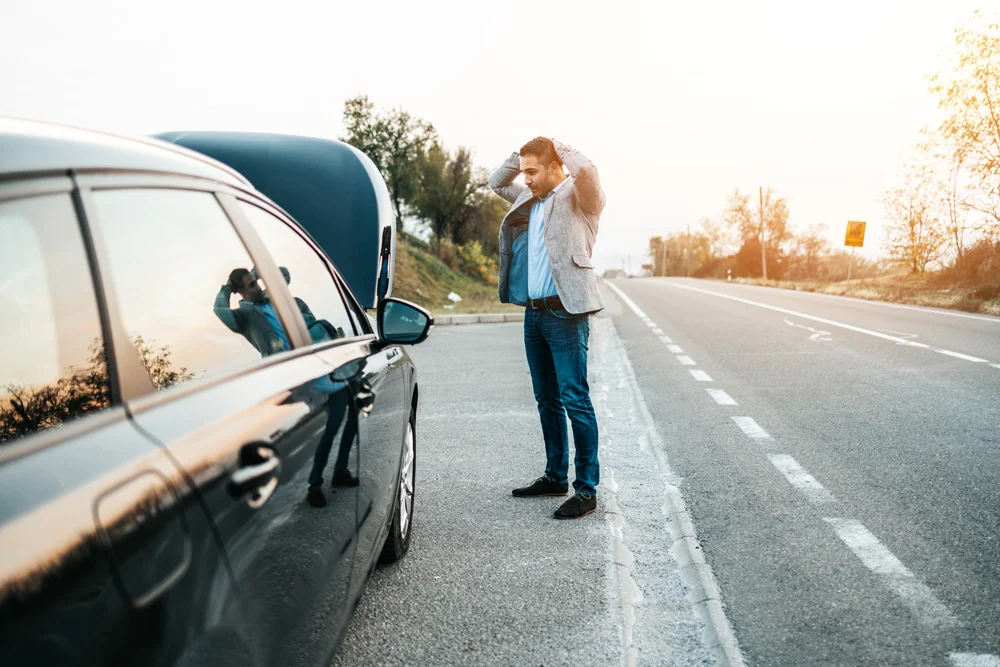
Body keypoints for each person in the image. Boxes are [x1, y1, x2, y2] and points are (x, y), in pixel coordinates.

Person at [489, 137, 606, 520]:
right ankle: (555, 476)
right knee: (547, 399)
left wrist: (559, 144)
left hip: (566, 312)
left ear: (557, 167)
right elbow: (495, 181)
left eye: (533, 172)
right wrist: (520, 156)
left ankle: (586, 490)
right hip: (534, 313)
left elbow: (586, 169)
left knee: (575, 398)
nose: (525, 180)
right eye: (524, 173)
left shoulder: (579, 195)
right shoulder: (529, 198)